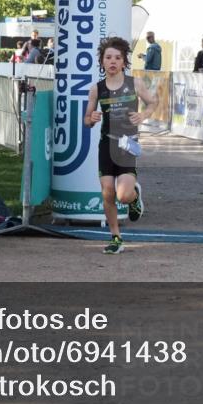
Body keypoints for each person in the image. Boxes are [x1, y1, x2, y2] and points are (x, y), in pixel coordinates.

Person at [84, 37, 157, 255]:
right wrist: (92, 117)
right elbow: (86, 120)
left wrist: (142, 115)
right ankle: (116, 237)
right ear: (102, 62)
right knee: (107, 193)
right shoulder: (96, 89)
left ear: (124, 62)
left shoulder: (134, 83)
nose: (113, 61)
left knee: (123, 196)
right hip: (106, 145)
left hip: (127, 145)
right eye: (108, 58)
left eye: (117, 57)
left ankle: (134, 196)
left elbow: (153, 103)